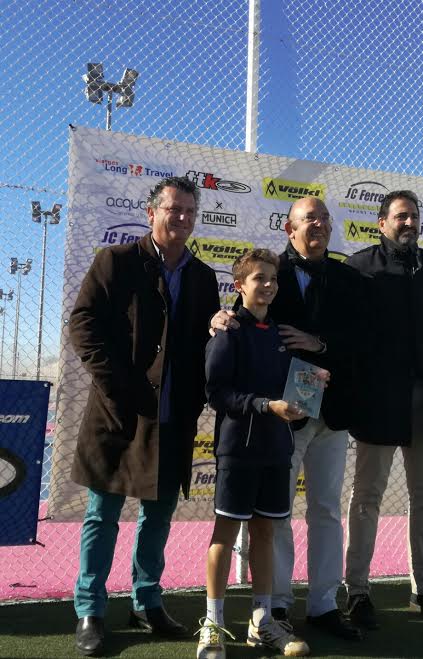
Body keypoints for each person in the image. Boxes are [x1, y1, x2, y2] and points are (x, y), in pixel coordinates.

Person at [69, 176, 220, 656]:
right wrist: (117, 386)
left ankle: (146, 601)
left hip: (175, 417)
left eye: (189, 212)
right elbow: (83, 325)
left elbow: (203, 346)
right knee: (102, 514)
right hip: (118, 414)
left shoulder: (201, 277)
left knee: (158, 516)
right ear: (152, 211)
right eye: (173, 209)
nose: (182, 218)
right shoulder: (115, 261)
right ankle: (90, 609)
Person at [211, 197, 363, 641]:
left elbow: (363, 338)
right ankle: (273, 604)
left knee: (326, 509)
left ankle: (323, 605)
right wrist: (219, 317)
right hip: (282, 416)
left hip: (333, 412)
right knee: (274, 516)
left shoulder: (349, 277)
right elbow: (244, 313)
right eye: (308, 219)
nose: (319, 225)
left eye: (324, 218)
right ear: (289, 229)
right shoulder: (271, 275)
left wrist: (320, 344)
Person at [344, 190, 423, 628]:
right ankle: (357, 592)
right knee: (367, 499)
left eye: (414, 216)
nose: (408, 223)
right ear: (381, 223)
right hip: (379, 401)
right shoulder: (359, 267)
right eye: (400, 217)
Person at [198, 248, 310, 659]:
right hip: (238, 452)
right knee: (224, 537)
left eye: (273, 279)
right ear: (239, 285)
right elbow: (217, 393)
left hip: (276, 450)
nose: (268, 285)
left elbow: (288, 390)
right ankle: (213, 624)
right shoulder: (227, 332)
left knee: (266, 533)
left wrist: (311, 384)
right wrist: (265, 406)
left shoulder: (280, 335)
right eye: (259, 278)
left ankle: (261, 621)